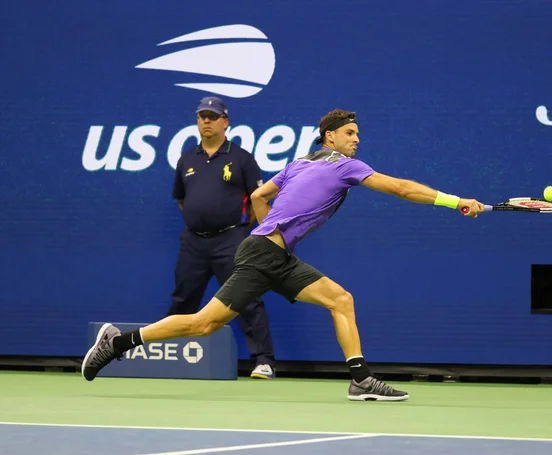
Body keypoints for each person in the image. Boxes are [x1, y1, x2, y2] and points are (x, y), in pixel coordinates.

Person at [82, 108, 484, 401]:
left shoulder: (298, 164)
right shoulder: (346, 166)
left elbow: (259, 196)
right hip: (262, 256)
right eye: (349, 133)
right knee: (203, 325)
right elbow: (400, 188)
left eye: (357, 134)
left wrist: (272, 233)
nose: (356, 140)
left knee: (340, 299)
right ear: (330, 137)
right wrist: (455, 201)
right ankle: (118, 341)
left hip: (272, 253)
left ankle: (360, 379)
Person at [168, 96, 276, 379]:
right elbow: (182, 200)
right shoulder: (186, 159)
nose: (206, 121)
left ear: (225, 122)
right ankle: (167, 357)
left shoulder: (241, 158)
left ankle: (263, 360)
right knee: (183, 298)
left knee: (246, 298)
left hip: (231, 240)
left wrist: (236, 229)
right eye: (202, 116)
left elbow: (258, 200)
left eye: (212, 116)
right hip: (193, 242)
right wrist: (200, 218)